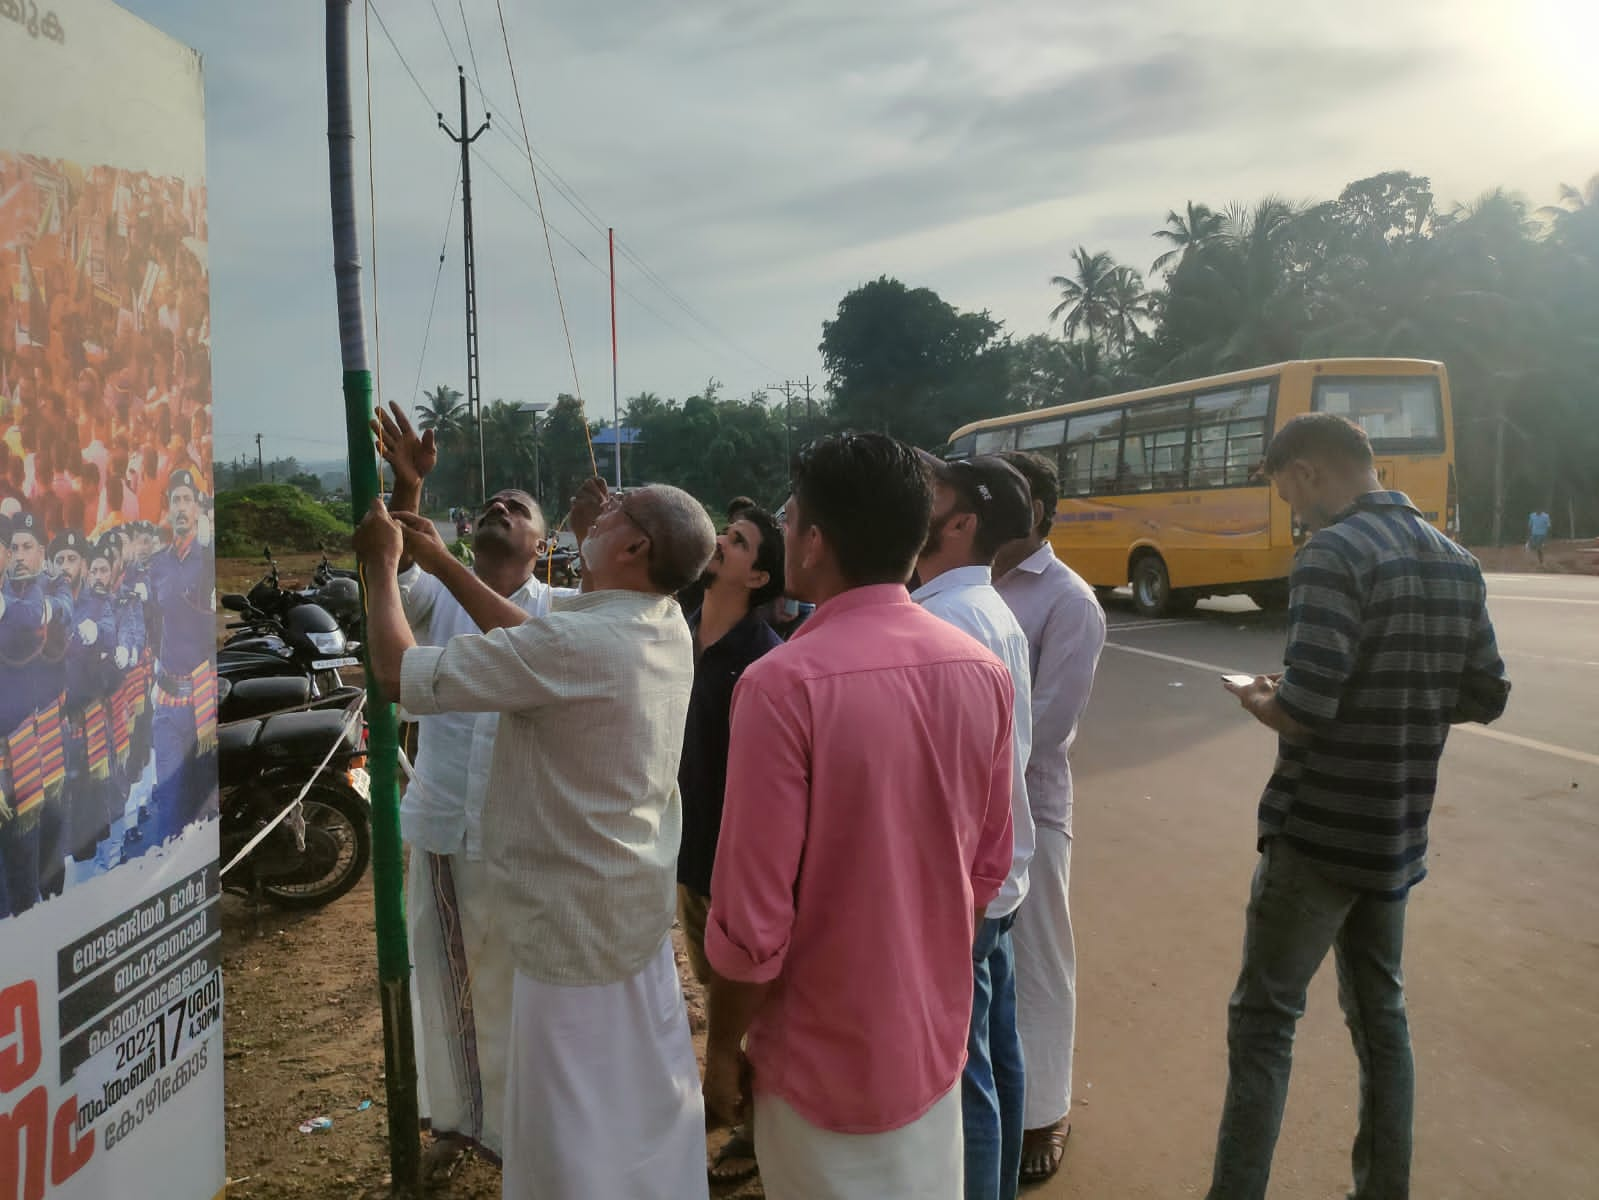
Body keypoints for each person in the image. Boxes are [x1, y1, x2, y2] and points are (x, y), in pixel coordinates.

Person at [356, 466, 716, 1200]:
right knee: (634, 1093)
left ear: (634, 548)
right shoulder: (658, 618)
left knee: (567, 1118)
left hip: (563, 927)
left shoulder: (578, 642)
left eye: (616, 510)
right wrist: (439, 561)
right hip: (620, 910)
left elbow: (396, 674)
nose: (600, 509)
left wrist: (377, 565)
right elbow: (534, 637)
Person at [703, 433, 1017, 1200]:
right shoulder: (979, 670)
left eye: (788, 516)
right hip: (929, 1040)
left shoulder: (782, 686)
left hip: (820, 1059)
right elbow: (986, 866)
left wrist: (719, 1048)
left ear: (812, 541)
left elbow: (752, 922)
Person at [1207, 414, 1510, 1200]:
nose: (1291, 511)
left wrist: (1256, 698)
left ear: (1306, 472)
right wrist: (1400, 697)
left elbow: (1304, 706)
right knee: (1381, 1019)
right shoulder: (1456, 560)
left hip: (1315, 831)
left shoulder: (1332, 552)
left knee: (1265, 1024)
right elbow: (1484, 693)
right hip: (1394, 831)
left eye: (1285, 492)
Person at [371, 402, 572, 1172]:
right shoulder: (435, 598)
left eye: (516, 508)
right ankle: (457, 1126)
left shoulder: (558, 615)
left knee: (519, 993)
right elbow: (391, 570)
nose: (499, 507)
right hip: (447, 824)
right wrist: (408, 488)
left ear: (542, 544)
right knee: (447, 983)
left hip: (525, 842)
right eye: (491, 501)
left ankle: (522, 1134)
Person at [913, 452, 1038, 1200]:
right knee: (992, 1054)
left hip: (968, 884)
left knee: (964, 1077)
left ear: (959, 523)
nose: (916, 500)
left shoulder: (946, 617)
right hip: (996, 874)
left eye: (933, 494)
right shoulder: (981, 608)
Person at [993, 449, 1106, 1186]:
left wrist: (970, 759)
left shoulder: (1068, 601)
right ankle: (1003, 1096)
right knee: (985, 961)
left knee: (1038, 959)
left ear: (1032, 511)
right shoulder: (964, 580)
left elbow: (1051, 724)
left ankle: (1045, 1110)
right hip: (960, 804)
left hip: (1029, 802)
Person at [674, 502, 784, 1186]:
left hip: (735, 867)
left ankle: (755, 1131)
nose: (719, 541)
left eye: (737, 542)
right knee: (715, 994)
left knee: (748, 1009)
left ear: (760, 575)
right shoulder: (678, 631)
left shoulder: (765, 663)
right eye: (724, 532)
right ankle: (741, 1115)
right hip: (686, 858)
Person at [143, 468, 216, 847]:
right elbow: (151, 623)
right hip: (169, 702)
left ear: (199, 507)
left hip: (204, 702)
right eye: (176, 501)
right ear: (169, 511)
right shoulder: (156, 565)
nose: (182, 507)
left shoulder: (209, 561)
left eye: (188, 499)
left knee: (203, 810)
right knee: (169, 805)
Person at [0, 513, 48, 918]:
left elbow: (35, 617)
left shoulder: (27, 596)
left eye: (18, 548)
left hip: (17, 752)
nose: (16, 555)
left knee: (23, 877)